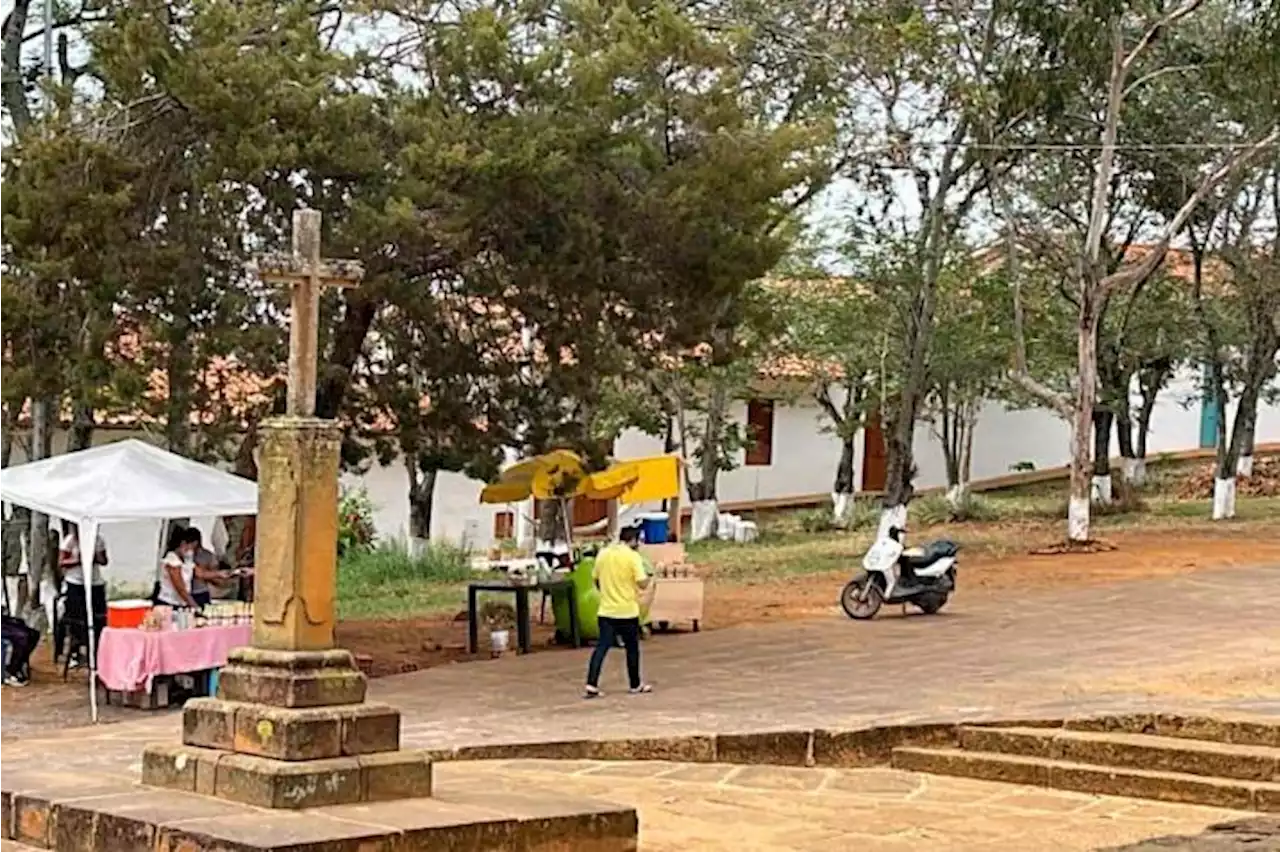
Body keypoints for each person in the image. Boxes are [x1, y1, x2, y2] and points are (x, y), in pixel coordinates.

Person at [583, 525, 653, 699]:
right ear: (634, 540)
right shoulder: (633, 557)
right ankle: (635, 684)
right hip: (627, 611)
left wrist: (607, 594)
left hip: (606, 611)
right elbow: (641, 583)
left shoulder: (603, 554)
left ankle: (591, 683)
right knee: (632, 649)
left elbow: (596, 579)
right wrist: (651, 576)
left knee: (601, 648)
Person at [57, 521, 108, 667]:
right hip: (75, 583)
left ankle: (98, 648)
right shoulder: (70, 541)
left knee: (99, 617)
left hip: (95, 582)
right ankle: (77, 647)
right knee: (77, 618)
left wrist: (96, 557)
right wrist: (78, 560)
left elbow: (104, 561)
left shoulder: (98, 540)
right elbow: (61, 562)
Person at [155, 526, 201, 609]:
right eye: (191, 547)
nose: (191, 551)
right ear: (183, 544)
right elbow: (180, 588)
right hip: (168, 604)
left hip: (181, 603)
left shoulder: (186, 558)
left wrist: (221, 574)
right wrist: (194, 606)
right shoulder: (172, 559)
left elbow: (199, 573)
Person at [188, 529, 235, 608]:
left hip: (201, 592)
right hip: (186, 591)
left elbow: (213, 573)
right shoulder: (185, 556)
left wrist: (210, 576)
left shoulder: (208, 555)